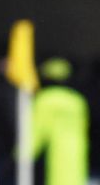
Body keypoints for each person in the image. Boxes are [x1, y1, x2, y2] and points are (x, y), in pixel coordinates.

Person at [31, 57, 89, 185]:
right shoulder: (77, 100)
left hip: (53, 154)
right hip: (77, 152)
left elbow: (36, 134)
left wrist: (19, 156)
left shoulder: (45, 99)